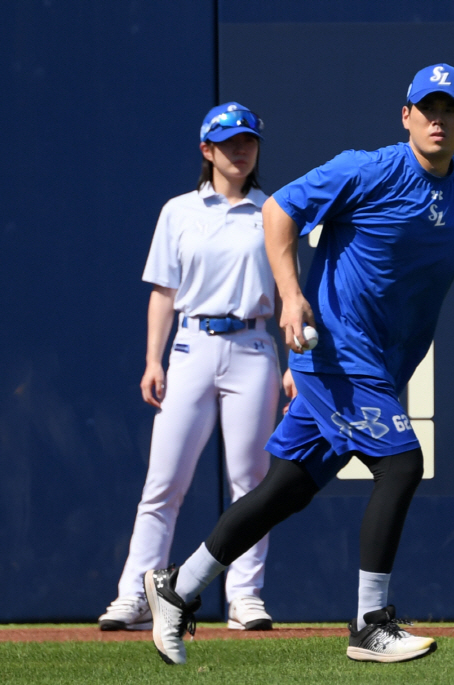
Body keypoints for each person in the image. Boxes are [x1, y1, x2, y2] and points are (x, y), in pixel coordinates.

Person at [144, 63, 454, 665]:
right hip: (335, 354)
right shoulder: (367, 169)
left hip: (384, 364)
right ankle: (370, 623)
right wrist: (290, 295)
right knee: (401, 463)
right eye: (427, 108)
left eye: (450, 110)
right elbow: (278, 212)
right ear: (406, 116)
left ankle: (178, 588)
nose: (437, 119)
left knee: (283, 491)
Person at [99, 102, 291, 633]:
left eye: (248, 141)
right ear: (207, 151)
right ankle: (137, 596)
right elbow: (164, 292)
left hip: (253, 346)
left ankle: (245, 597)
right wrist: (151, 359)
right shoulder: (178, 210)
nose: (241, 150)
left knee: (251, 483)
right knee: (164, 482)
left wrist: (294, 359)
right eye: (229, 142)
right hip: (190, 346)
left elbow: (288, 292)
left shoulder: (273, 209)